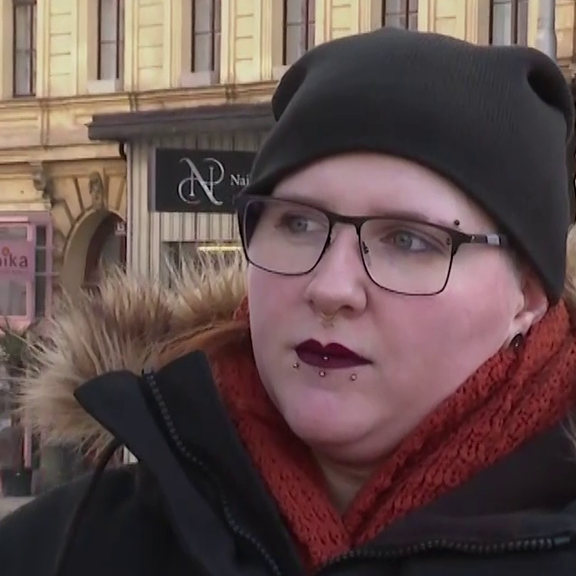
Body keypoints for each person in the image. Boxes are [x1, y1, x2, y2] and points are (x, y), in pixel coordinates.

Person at [2, 26, 576, 576]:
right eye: (298, 223)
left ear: (525, 297)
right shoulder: (65, 546)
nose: (330, 288)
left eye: (408, 240)